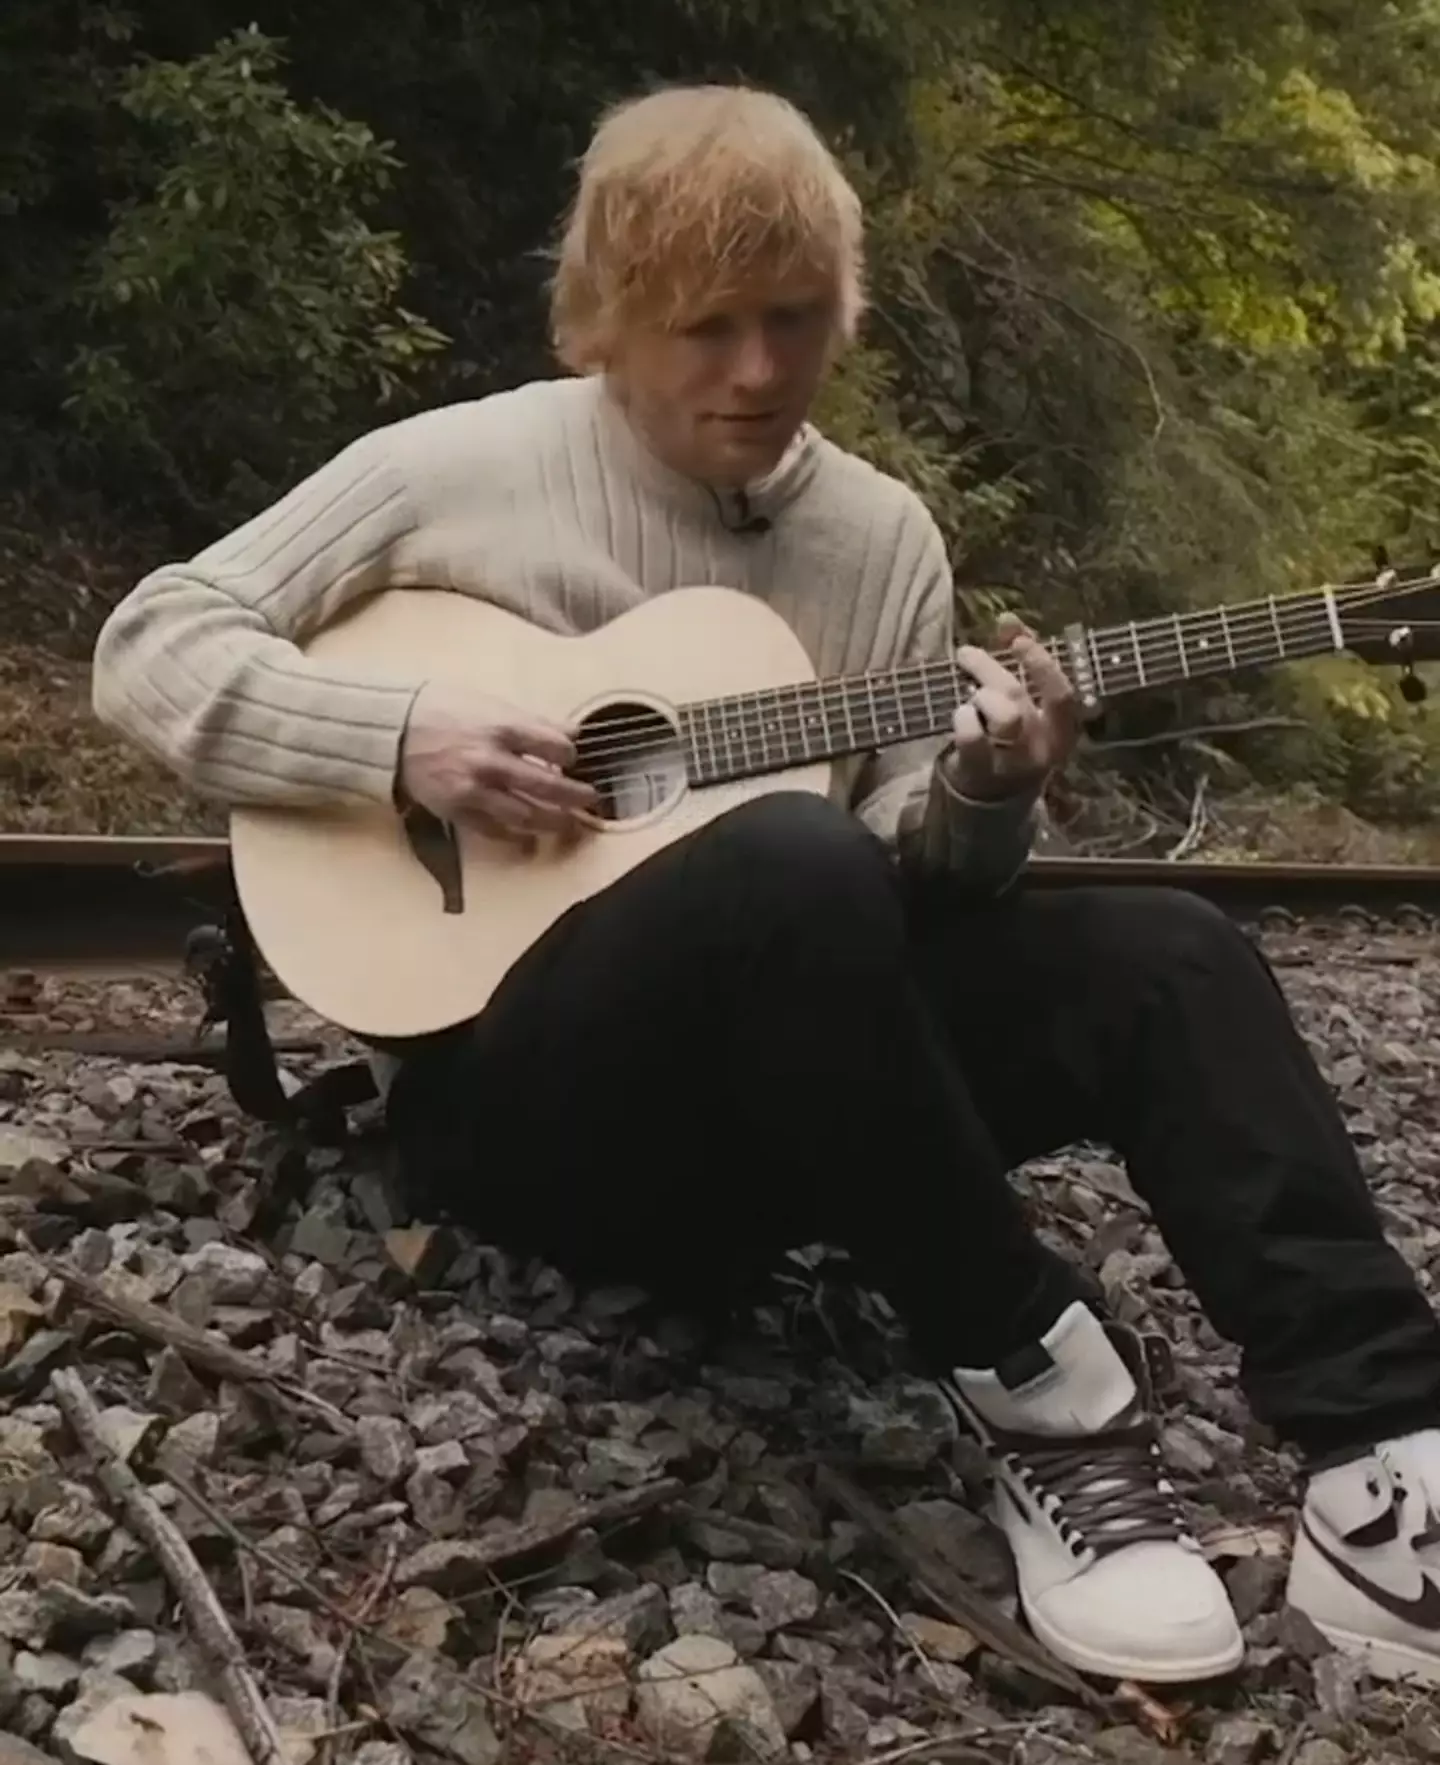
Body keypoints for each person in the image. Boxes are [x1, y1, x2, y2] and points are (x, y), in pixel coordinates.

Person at [90, 82, 1440, 1689]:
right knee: (790, 859)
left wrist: (986, 791)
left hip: (807, 1117)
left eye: (792, 320)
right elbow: (153, 642)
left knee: (1172, 952)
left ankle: (1384, 1460)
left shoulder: (879, 536)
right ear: (606, 322)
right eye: (703, 327)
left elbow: (910, 885)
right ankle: (1051, 1405)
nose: (755, 371)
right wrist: (397, 741)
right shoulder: (451, 470)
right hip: (529, 1120)